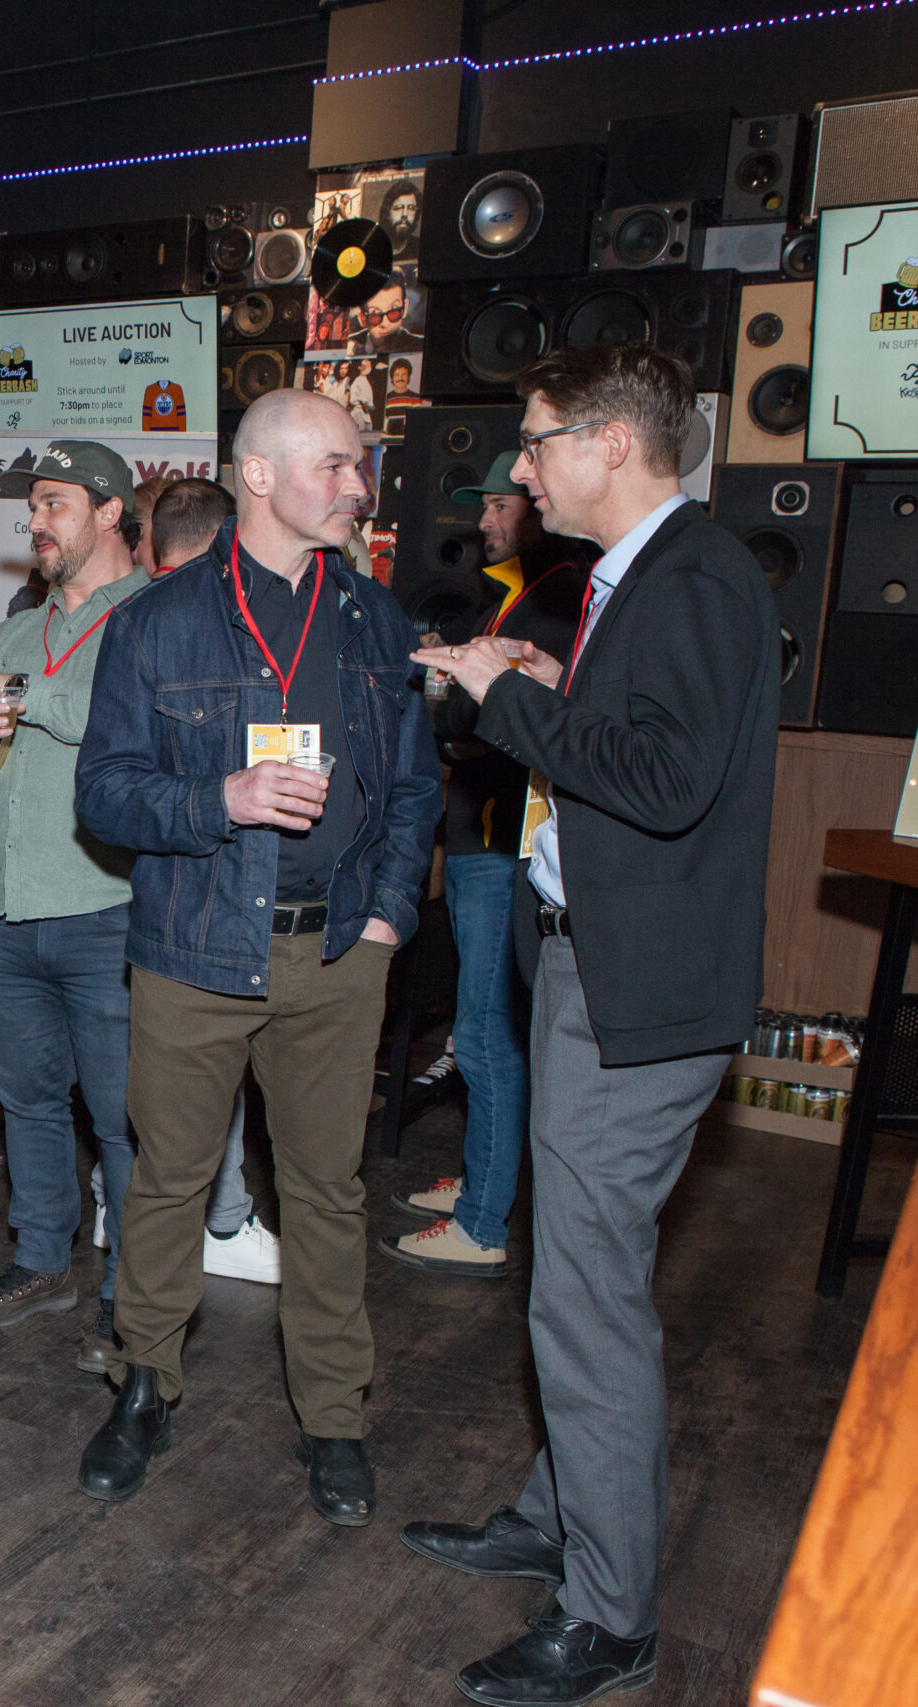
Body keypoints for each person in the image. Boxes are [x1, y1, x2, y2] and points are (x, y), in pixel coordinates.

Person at [404, 344, 779, 1707]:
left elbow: (666, 782)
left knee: (586, 1296)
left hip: (638, 992)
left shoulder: (694, 576)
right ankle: (558, 1512)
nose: (520, 465)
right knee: (578, 1273)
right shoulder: (643, 576)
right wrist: (543, 677)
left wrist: (506, 698)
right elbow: (642, 737)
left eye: (538, 438)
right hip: (599, 971)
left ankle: (610, 1615)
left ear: (613, 442)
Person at [72, 390, 439, 1524]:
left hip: (337, 952)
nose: (359, 485)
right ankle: (142, 1383)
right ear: (262, 476)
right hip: (192, 948)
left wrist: (387, 914)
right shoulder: (155, 621)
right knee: (168, 1179)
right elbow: (104, 792)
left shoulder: (377, 619)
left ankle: (333, 1417)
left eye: (360, 465)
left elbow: (414, 789)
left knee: (326, 1191)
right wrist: (217, 798)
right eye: (336, 465)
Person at [0, 442, 144, 1364]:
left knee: (125, 1120)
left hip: (112, 910)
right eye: (32, 505)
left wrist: (25, 698)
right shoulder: (17, 630)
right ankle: (44, 1260)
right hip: (12, 913)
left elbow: (129, 717)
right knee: (29, 1101)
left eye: (54, 503)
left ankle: (133, 1297)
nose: (35, 521)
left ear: (111, 510)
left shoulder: (157, 616)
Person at [385, 451, 592, 1279]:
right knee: (482, 1028)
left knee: (486, 1032)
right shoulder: (505, 595)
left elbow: (501, 718)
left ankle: (481, 1222)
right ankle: (483, 1180)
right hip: (481, 833)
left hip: (509, 844)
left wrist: (463, 721)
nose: (485, 520)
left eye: (503, 504)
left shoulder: (559, 600)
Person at [138, 477, 281, 1288]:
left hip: (164, 896)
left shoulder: (142, 614)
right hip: (182, 903)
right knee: (202, 1085)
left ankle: (201, 1217)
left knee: (164, 1093)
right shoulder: (160, 622)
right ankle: (221, 1221)